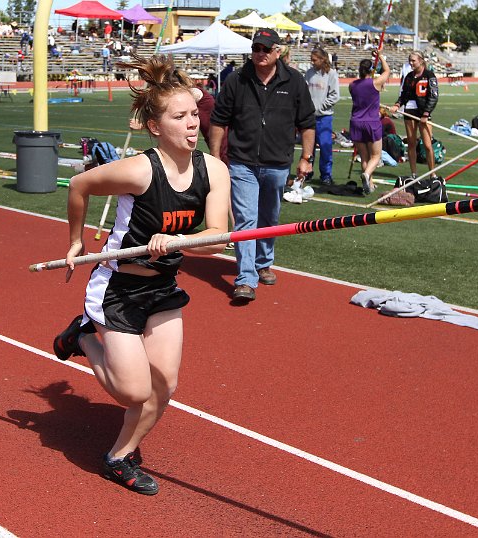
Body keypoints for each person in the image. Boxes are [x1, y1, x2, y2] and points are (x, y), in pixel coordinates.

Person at [52, 53, 230, 495]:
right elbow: (79, 186)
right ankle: (84, 336)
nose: (193, 124)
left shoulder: (214, 170)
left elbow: (218, 236)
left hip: (163, 287)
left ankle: (118, 455)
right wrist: (76, 241)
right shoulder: (138, 170)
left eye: (195, 114)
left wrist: (180, 242)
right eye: (180, 117)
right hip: (118, 289)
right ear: (155, 127)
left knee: (164, 385)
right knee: (134, 394)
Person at [209, 28, 315, 302]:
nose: (260, 54)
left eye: (266, 49)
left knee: (270, 218)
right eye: (256, 48)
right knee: (246, 219)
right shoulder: (236, 80)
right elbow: (219, 121)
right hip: (242, 163)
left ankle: (263, 262)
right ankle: (245, 278)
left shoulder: (294, 81)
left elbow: (307, 123)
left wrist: (306, 158)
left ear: (277, 51)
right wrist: (215, 158)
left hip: (278, 163)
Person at [390, 50, 439, 178]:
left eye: (413, 61)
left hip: (423, 112)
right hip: (410, 112)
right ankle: (413, 174)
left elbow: (433, 96)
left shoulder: (429, 75)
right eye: (410, 61)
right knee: (411, 143)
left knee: (427, 145)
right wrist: (397, 104)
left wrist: (426, 114)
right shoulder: (409, 76)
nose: (411, 63)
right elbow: (404, 95)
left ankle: (432, 173)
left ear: (421, 61)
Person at [348, 50, 390, 194]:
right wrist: (381, 55)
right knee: (376, 156)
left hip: (356, 122)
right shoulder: (376, 83)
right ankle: (366, 175)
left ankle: (369, 184)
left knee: (364, 156)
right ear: (371, 70)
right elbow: (387, 70)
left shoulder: (352, 85)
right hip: (371, 122)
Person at [305, 47, 340, 186]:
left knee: (325, 147)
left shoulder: (331, 74)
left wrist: (320, 107)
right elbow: (304, 92)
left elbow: (334, 95)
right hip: (308, 117)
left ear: (322, 59)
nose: (312, 62)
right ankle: (307, 172)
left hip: (324, 118)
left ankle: (325, 175)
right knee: (308, 148)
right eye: (311, 60)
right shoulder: (309, 73)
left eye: (314, 60)